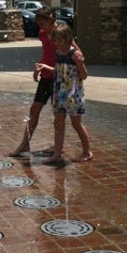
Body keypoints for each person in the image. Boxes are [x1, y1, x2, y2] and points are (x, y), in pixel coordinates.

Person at [36, 23, 92, 164]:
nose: (57, 43)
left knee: (76, 124)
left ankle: (87, 152)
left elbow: (84, 75)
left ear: (68, 39)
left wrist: (80, 64)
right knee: (58, 122)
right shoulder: (58, 53)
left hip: (74, 95)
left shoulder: (75, 54)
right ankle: (57, 153)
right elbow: (59, 71)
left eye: (60, 40)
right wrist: (45, 67)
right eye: (55, 40)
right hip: (60, 93)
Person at [8, 7, 60, 157]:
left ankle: (58, 146)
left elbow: (75, 52)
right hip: (46, 77)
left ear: (51, 20)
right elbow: (47, 54)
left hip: (58, 79)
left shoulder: (61, 33)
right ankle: (25, 144)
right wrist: (39, 66)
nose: (41, 28)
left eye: (43, 24)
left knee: (58, 115)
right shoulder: (43, 34)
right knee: (34, 109)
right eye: (40, 25)